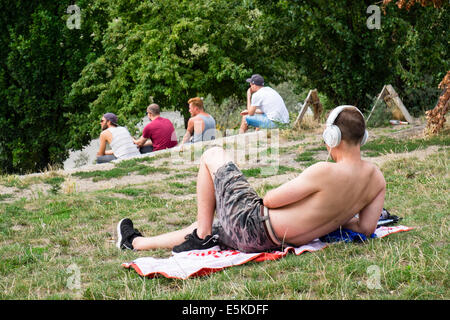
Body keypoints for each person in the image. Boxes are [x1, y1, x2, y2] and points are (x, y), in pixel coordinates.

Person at [116, 106, 386, 254]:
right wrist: (338, 212)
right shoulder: (376, 179)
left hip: (254, 226)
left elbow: (270, 200)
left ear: (332, 138)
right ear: (363, 138)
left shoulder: (324, 171)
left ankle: (201, 236)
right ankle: (136, 243)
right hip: (271, 242)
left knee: (212, 153)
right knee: (211, 221)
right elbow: (364, 227)